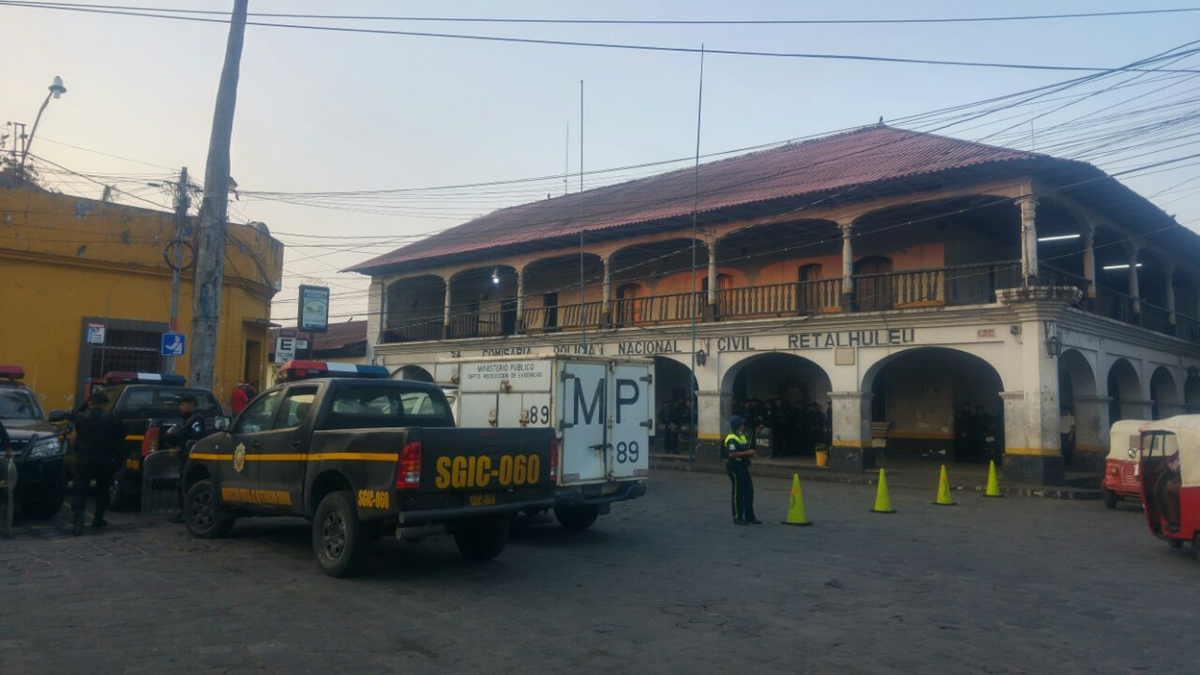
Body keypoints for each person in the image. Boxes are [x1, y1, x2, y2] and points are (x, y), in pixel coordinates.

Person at [69, 391, 127, 536]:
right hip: (104, 460)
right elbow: (121, 438)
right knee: (102, 490)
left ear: (90, 403)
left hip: (84, 460)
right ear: (105, 404)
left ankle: (78, 521)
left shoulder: (81, 419)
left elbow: (73, 439)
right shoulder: (112, 419)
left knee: (79, 490)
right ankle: (98, 519)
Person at [165, 395, 206, 524]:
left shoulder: (195, 420)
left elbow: (196, 437)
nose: (181, 407)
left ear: (192, 405)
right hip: (185, 455)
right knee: (181, 484)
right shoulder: (188, 419)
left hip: (191, 456)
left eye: (184, 405)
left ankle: (185, 513)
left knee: (184, 484)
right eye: (180, 405)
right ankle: (182, 512)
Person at [723, 415, 760, 525]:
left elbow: (744, 449)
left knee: (749, 491)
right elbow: (732, 454)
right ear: (738, 426)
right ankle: (738, 517)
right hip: (735, 467)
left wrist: (750, 454)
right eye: (742, 424)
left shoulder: (741, 436)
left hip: (743, 467)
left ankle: (750, 516)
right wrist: (747, 453)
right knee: (738, 493)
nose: (744, 426)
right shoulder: (732, 439)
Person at [1158, 451, 1182, 532]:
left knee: (1168, 489)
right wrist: (1170, 465)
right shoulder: (1180, 451)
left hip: (1188, 482)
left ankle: (1175, 522)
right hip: (1181, 480)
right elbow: (1167, 461)